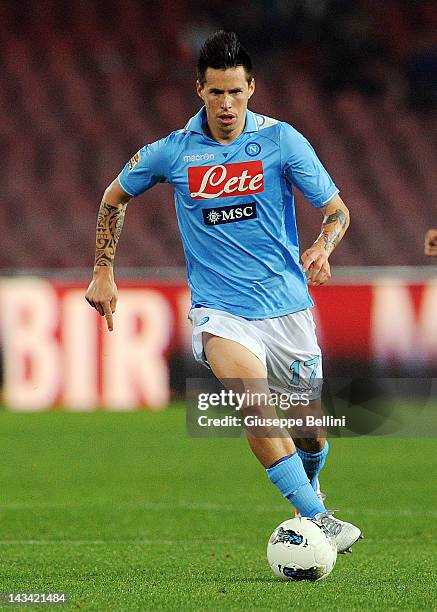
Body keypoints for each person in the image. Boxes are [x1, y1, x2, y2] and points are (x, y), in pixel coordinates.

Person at [85, 31, 362, 553]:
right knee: (253, 405)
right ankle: (318, 517)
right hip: (221, 312)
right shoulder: (172, 152)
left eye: (236, 92)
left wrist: (324, 247)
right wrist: (104, 269)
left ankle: (310, 488)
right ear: (199, 91)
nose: (227, 104)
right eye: (216, 93)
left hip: (288, 309)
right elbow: (112, 198)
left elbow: (338, 211)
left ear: (252, 88)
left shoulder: (283, 141)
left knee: (311, 434)